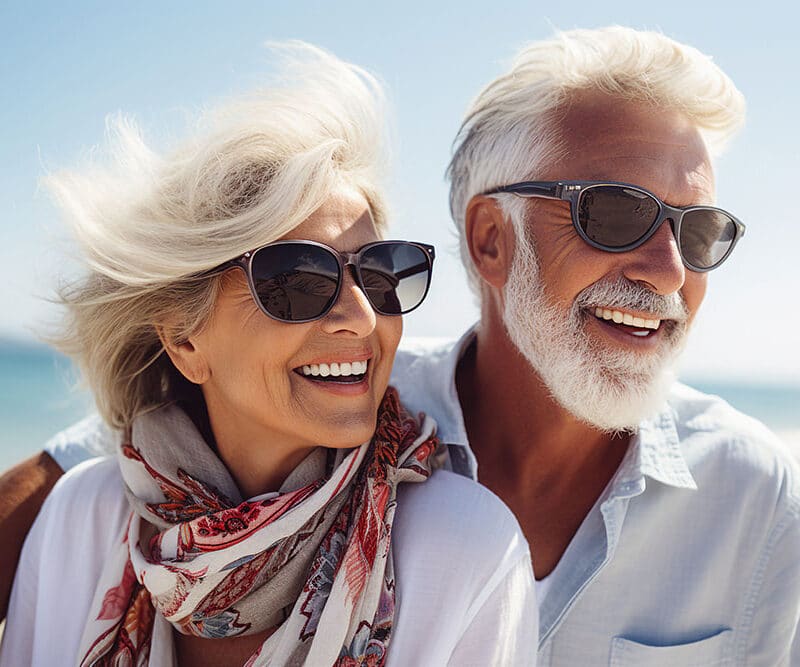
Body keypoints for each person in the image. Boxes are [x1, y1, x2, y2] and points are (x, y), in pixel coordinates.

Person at [2, 24, 800, 665]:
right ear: (490, 240)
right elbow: (119, 452)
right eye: (617, 214)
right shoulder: (339, 401)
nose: (668, 271)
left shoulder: (758, 500)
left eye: (701, 232)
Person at [0, 44, 536, 666]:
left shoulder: (469, 550)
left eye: (381, 274)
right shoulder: (80, 519)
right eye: (300, 280)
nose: (363, 317)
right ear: (184, 338)